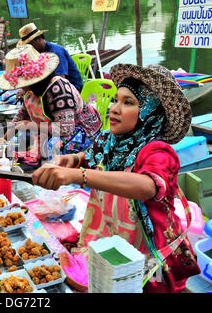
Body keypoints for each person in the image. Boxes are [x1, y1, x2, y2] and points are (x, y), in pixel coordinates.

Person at [32, 63, 201, 293]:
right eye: (115, 99)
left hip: (148, 256)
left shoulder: (158, 152)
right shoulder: (109, 142)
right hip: (109, 239)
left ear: (149, 113)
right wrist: (74, 159)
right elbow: (93, 159)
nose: (114, 108)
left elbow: (148, 186)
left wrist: (79, 175)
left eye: (128, 102)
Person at [0, 44, 101, 163]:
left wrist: (32, 125)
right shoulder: (30, 92)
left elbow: (66, 128)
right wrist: (1, 142)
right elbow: (18, 119)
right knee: (21, 137)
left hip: (82, 129)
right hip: (54, 127)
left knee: (51, 146)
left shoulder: (58, 89)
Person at [17, 23, 82, 93]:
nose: (29, 49)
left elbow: (60, 80)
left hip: (71, 89)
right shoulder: (37, 52)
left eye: (31, 45)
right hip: (52, 86)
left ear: (39, 39)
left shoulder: (56, 52)